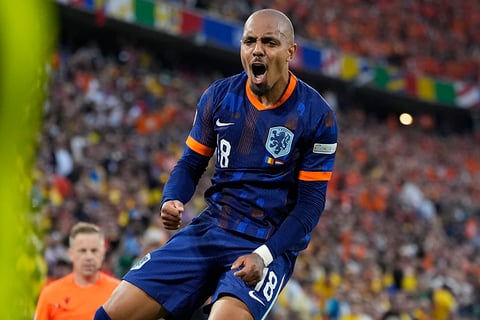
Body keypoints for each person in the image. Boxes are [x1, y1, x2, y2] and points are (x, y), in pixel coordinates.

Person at [95, 8, 338, 320]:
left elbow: (310, 205)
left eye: (269, 42)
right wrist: (172, 197)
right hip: (213, 228)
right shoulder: (219, 97)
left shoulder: (317, 116)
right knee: (111, 314)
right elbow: (191, 163)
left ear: (291, 52)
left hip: (266, 241)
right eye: (249, 41)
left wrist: (264, 256)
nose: (257, 50)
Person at [35, 222, 120, 320]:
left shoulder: (118, 293)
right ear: (71, 254)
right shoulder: (50, 294)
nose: (89, 257)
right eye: (82, 251)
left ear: (103, 253)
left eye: (94, 251)